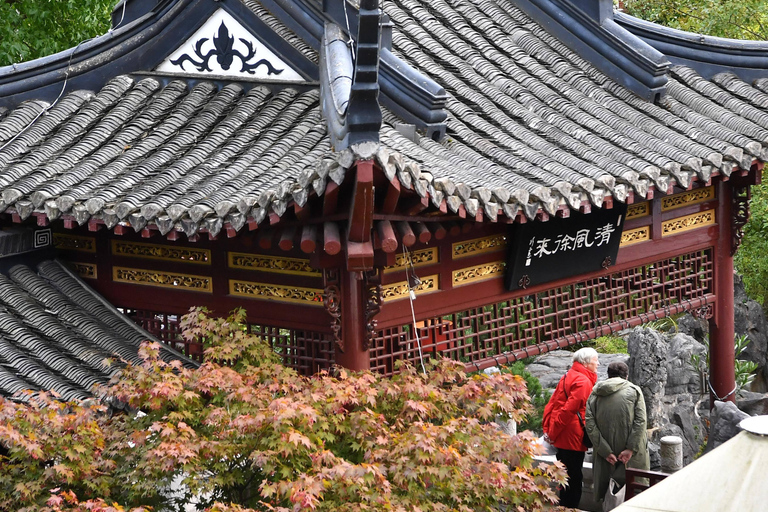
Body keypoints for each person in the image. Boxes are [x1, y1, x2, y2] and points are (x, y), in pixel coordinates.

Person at [585, 361, 650, 507]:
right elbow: (641, 421)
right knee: (634, 493)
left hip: (605, 457)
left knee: (609, 496)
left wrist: (605, 451)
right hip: (632, 457)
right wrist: (630, 449)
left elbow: (590, 425)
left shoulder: (595, 393)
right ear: (626, 376)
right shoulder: (634, 391)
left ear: (608, 375)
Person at [542, 347, 599, 508]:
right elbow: (568, 410)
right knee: (574, 477)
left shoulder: (568, 375)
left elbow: (552, 404)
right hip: (572, 436)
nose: (598, 363)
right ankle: (570, 508)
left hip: (561, 435)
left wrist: (548, 429)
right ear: (586, 363)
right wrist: (552, 433)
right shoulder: (583, 381)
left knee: (564, 475)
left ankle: (563, 507)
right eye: (596, 360)